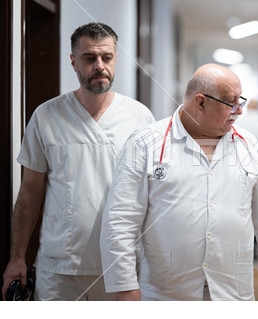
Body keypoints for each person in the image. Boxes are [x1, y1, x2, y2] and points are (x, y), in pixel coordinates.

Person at [100, 63, 258, 301]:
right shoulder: (145, 143)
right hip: (167, 294)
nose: (239, 111)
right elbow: (121, 220)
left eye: (240, 100)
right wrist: (123, 284)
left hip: (232, 291)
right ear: (201, 102)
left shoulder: (248, 143)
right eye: (230, 102)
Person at [2, 22, 155, 301]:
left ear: (115, 59)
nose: (99, 66)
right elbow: (29, 193)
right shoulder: (46, 116)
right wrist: (16, 258)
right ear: (73, 62)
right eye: (89, 58)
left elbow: (153, 195)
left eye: (106, 58)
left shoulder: (140, 118)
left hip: (119, 267)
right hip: (58, 269)